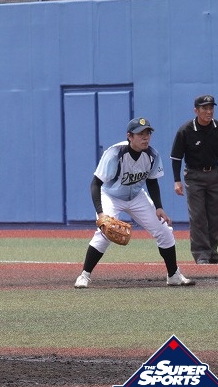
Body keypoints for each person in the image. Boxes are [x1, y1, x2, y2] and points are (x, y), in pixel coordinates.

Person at [74, 117, 194, 288]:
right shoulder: (115, 154)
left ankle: (173, 275)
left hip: (136, 196)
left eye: (148, 133)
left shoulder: (152, 155)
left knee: (164, 231)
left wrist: (159, 207)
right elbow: (95, 184)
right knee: (105, 233)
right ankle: (84, 276)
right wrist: (101, 213)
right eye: (140, 134)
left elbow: (152, 181)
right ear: (129, 136)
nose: (145, 137)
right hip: (111, 196)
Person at [170, 94, 218, 264]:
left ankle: (213, 252)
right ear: (196, 110)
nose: (208, 111)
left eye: (211, 108)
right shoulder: (185, 130)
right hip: (194, 176)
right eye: (204, 108)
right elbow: (176, 157)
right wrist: (177, 180)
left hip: (215, 174)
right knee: (198, 215)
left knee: (215, 214)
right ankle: (201, 254)